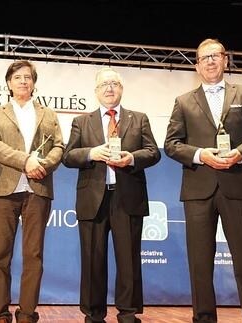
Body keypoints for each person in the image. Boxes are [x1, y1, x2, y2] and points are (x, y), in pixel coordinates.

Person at [164, 38, 242, 323]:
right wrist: (201, 154)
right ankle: (203, 317)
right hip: (198, 188)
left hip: (238, 185)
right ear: (197, 66)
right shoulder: (183, 102)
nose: (210, 61)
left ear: (226, 60)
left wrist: (239, 154)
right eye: (204, 58)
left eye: (215, 56)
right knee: (200, 261)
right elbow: (172, 144)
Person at [62, 67, 160, 323]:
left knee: (128, 259)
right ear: (96, 91)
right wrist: (91, 153)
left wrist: (131, 158)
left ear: (121, 89)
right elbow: (68, 156)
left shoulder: (139, 118)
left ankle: (128, 313)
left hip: (127, 197)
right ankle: (93, 314)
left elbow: (153, 152)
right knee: (92, 259)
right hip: (92, 198)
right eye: (104, 84)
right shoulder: (82, 122)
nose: (109, 88)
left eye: (114, 83)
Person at [0, 60, 64, 323]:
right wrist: (25, 161)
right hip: (5, 190)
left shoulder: (48, 114)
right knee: (0, 255)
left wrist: (43, 164)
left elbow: (59, 147)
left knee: (33, 255)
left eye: (27, 77)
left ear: (34, 83)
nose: (23, 81)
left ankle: (28, 313)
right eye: (17, 77)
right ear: (8, 83)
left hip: (38, 188)